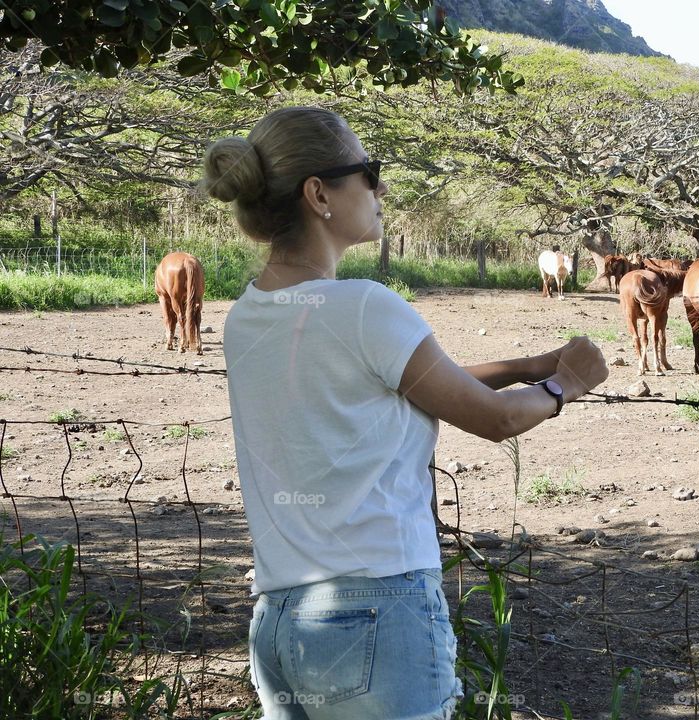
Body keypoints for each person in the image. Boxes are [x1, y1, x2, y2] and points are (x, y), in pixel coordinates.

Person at [201, 106, 608, 720]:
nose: (380, 187)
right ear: (319, 194)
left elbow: (393, 389)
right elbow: (493, 419)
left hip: (282, 618)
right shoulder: (364, 305)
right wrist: (565, 384)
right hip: (378, 608)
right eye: (368, 171)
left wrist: (530, 364)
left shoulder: (248, 313)